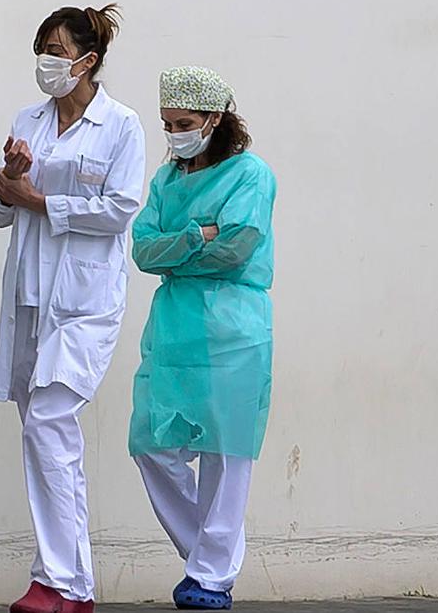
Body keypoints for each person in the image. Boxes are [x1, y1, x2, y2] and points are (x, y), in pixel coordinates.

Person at [0, 5, 147, 613]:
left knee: (48, 422)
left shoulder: (121, 125)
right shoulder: (27, 118)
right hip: (29, 297)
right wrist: (11, 178)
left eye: (57, 49)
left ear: (89, 60)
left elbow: (120, 209)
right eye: (42, 49)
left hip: (84, 303)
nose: (47, 62)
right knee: (51, 437)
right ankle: (72, 585)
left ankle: (53, 580)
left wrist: (40, 199)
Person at [129, 66, 277, 611]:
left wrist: (178, 246)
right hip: (174, 330)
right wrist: (198, 234)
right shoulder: (166, 182)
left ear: (215, 119)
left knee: (226, 451)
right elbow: (143, 250)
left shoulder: (252, 174)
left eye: (184, 123)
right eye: (167, 123)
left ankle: (210, 578)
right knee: (150, 445)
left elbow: (238, 246)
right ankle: (209, 559)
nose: (174, 134)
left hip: (235, 329)